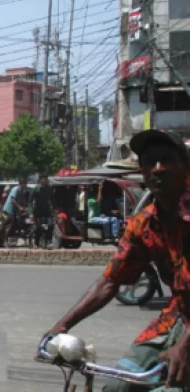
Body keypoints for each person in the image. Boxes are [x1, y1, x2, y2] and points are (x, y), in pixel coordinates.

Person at [42, 129, 190, 391]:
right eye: (149, 162)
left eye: (167, 159)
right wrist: (62, 325)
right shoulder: (144, 223)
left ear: (184, 165)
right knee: (115, 386)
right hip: (177, 318)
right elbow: (110, 281)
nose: (158, 168)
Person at [29, 174, 56, 249]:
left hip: (47, 210)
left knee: (51, 224)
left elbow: (53, 201)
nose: (46, 181)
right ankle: (36, 243)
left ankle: (48, 242)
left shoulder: (49, 189)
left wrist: (55, 211)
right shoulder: (36, 189)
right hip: (38, 211)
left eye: (46, 179)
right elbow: (30, 202)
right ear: (40, 180)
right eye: (44, 179)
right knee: (38, 227)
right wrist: (31, 213)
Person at [3, 178, 30, 243]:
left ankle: (13, 237)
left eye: (26, 184)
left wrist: (26, 208)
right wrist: (20, 207)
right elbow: (13, 200)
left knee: (18, 222)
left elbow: (23, 201)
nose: (25, 185)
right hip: (9, 209)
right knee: (11, 224)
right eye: (24, 184)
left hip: (15, 211)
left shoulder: (22, 191)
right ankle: (5, 239)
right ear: (20, 184)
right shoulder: (15, 189)